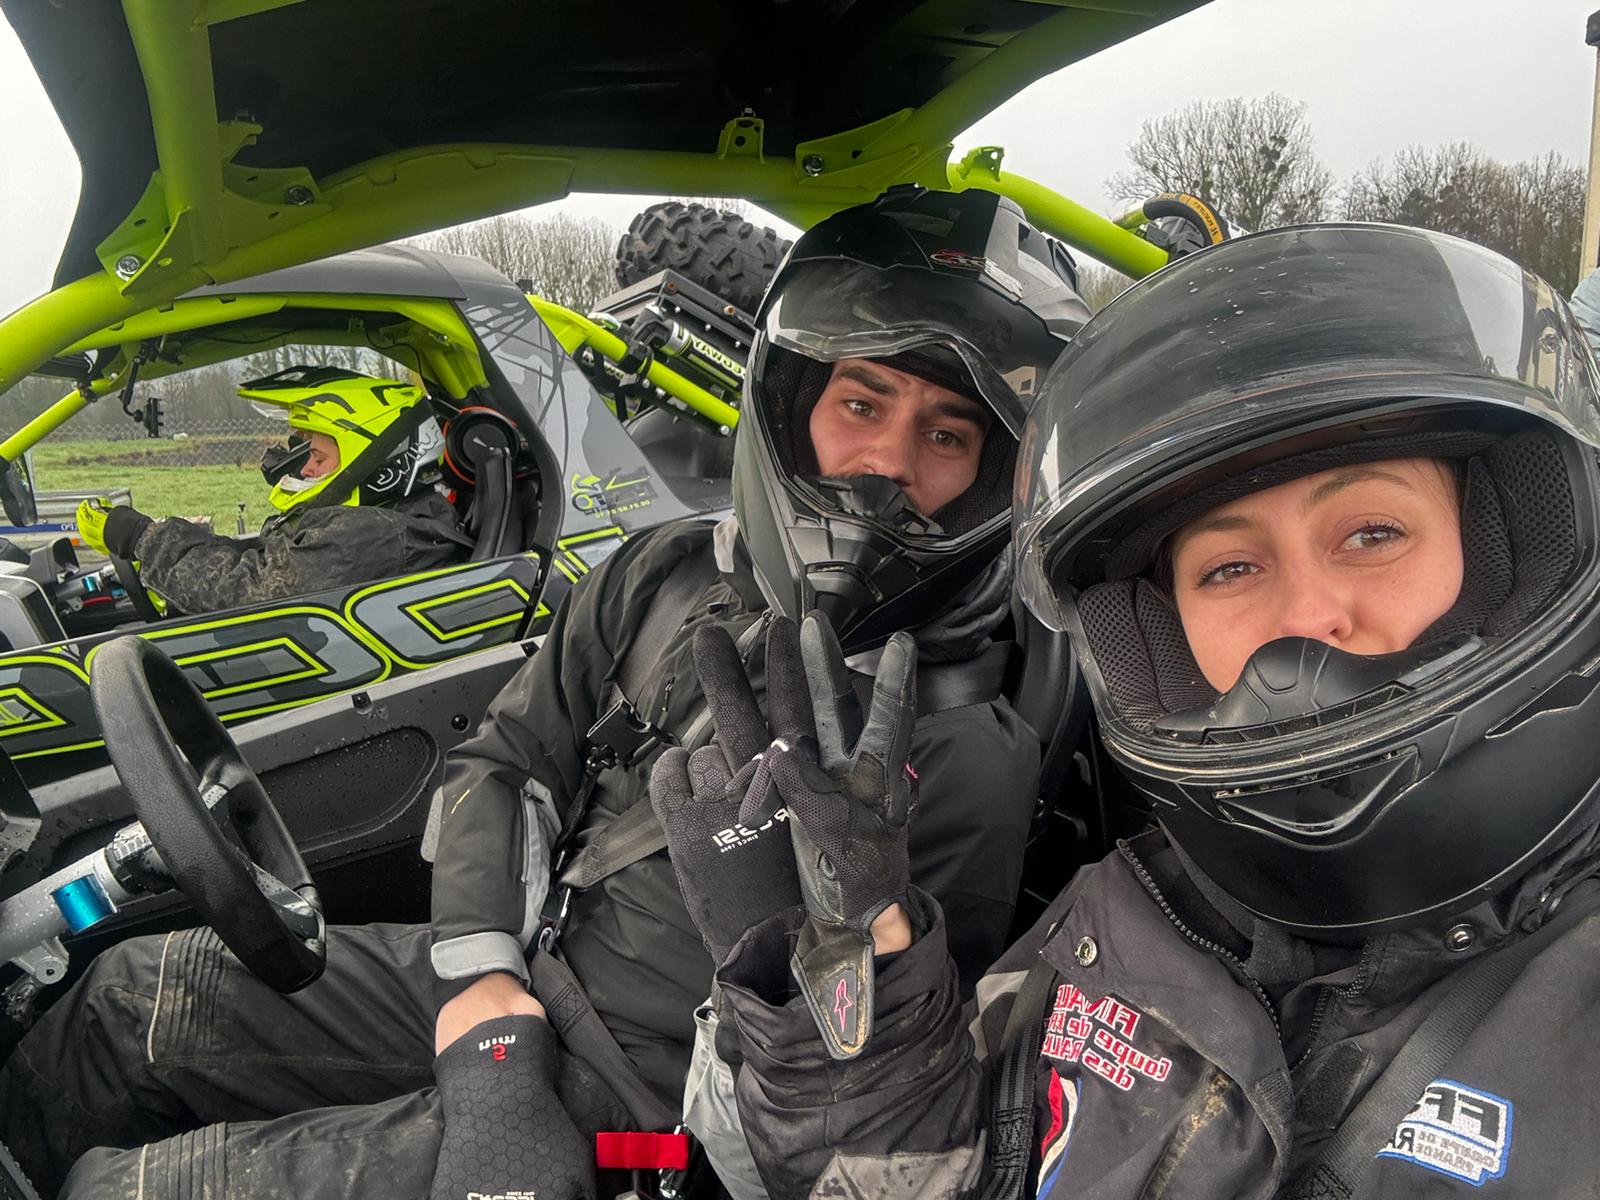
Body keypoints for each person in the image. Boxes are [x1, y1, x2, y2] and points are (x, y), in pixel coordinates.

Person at [0, 186, 1088, 1199]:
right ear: (792, 399)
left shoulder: (970, 750)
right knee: (123, 1004)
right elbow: (502, 759)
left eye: (945, 434)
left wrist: (782, 946)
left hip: (655, 1096)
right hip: (514, 970)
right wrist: (484, 984)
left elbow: (862, 1101)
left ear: (989, 475)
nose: (887, 460)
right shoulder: (666, 572)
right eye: (861, 401)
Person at [676, 223, 1600, 1199]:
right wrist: (847, 994)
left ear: (1508, 545)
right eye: (1229, 567)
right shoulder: (1116, 919)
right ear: (1153, 631)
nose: (1306, 617)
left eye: (1371, 532)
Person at [73, 367, 471, 614]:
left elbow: (241, 593)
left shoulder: (373, 536)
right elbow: (262, 559)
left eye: (318, 456)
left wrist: (141, 538)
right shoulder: (390, 522)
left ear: (380, 466)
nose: (307, 469)